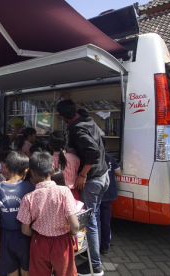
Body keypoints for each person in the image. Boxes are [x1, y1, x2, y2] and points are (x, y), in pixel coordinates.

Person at [57, 99, 109, 276]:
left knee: (90, 222)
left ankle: (95, 266)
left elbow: (93, 153)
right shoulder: (87, 119)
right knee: (96, 217)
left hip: (93, 179)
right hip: (104, 175)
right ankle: (95, 254)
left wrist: (83, 174)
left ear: (62, 116)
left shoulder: (77, 129)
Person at [17, 151, 79, 276]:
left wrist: (37, 235)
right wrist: (72, 232)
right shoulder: (64, 192)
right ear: (52, 171)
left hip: (39, 242)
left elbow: (25, 230)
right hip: (62, 243)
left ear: (32, 173)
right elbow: (75, 225)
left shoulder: (28, 198)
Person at [0, 151, 35, 276]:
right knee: (26, 270)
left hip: (5, 236)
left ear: (6, 167)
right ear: (26, 170)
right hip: (26, 236)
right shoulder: (29, 187)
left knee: (11, 271)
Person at [99, 137, 122, 255]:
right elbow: (119, 172)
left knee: (95, 220)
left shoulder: (93, 157)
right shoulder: (110, 157)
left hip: (96, 194)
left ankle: (96, 244)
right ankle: (105, 245)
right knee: (106, 220)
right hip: (108, 193)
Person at [48, 131, 81, 201]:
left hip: (55, 194)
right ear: (66, 144)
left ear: (49, 145)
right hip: (73, 193)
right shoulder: (75, 159)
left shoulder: (49, 160)